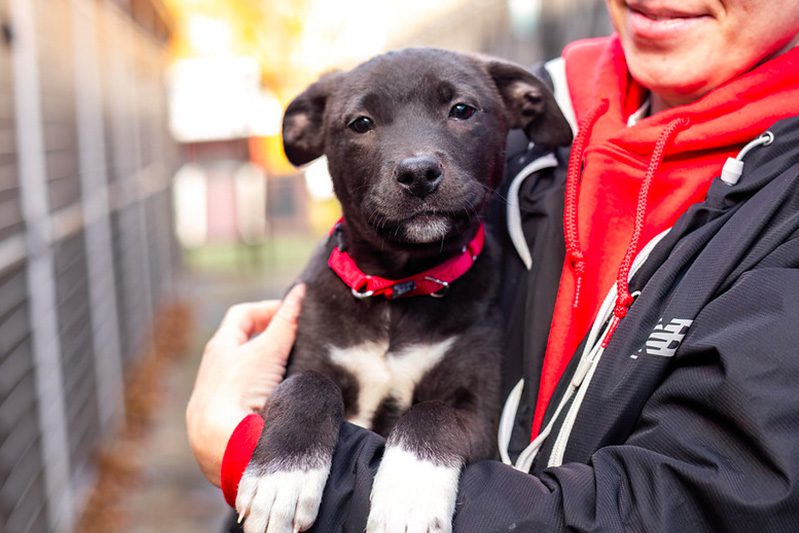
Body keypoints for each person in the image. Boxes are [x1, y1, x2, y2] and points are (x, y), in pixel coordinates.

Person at [187, 0, 799, 530]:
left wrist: (246, 449)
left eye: (459, 113)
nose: (418, 162)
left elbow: (697, 502)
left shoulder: (780, 213)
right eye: (364, 124)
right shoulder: (541, 129)